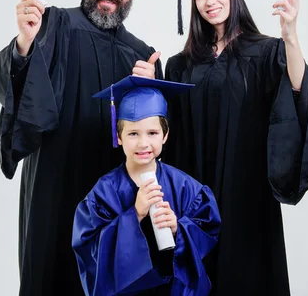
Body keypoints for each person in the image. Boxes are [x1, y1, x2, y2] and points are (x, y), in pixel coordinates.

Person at [0, 0, 167, 296]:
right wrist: (24, 42)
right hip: (57, 188)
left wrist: (151, 90)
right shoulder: (54, 25)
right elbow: (6, 79)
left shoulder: (142, 54)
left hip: (118, 201)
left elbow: (157, 140)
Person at [163, 0, 308, 295]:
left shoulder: (265, 52)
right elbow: (169, 137)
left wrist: (290, 34)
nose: (210, 2)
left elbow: (298, 90)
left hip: (246, 196)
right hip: (196, 200)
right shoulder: (180, 65)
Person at [72, 75, 221, 295]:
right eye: (133, 133)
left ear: (165, 135)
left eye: (152, 133)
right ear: (118, 136)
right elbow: (90, 250)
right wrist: (135, 215)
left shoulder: (184, 186)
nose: (143, 143)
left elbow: (208, 227)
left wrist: (179, 228)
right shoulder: (104, 193)